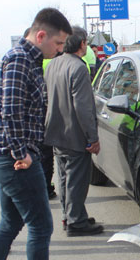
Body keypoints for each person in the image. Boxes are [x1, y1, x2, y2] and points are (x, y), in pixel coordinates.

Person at [0, 7, 76, 260]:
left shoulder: (27, 59)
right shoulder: (21, 60)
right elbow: (10, 111)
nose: (60, 50)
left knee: (10, 221)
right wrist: (21, 152)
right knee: (41, 225)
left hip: (5, 155)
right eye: (58, 44)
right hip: (15, 159)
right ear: (41, 35)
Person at [44, 26, 103, 236]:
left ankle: (69, 216)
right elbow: (83, 107)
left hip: (56, 132)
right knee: (77, 181)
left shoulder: (53, 64)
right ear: (82, 44)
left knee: (64, 179)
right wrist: (92, 137)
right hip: (75, 134)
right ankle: (76, 222)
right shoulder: (78, 68)